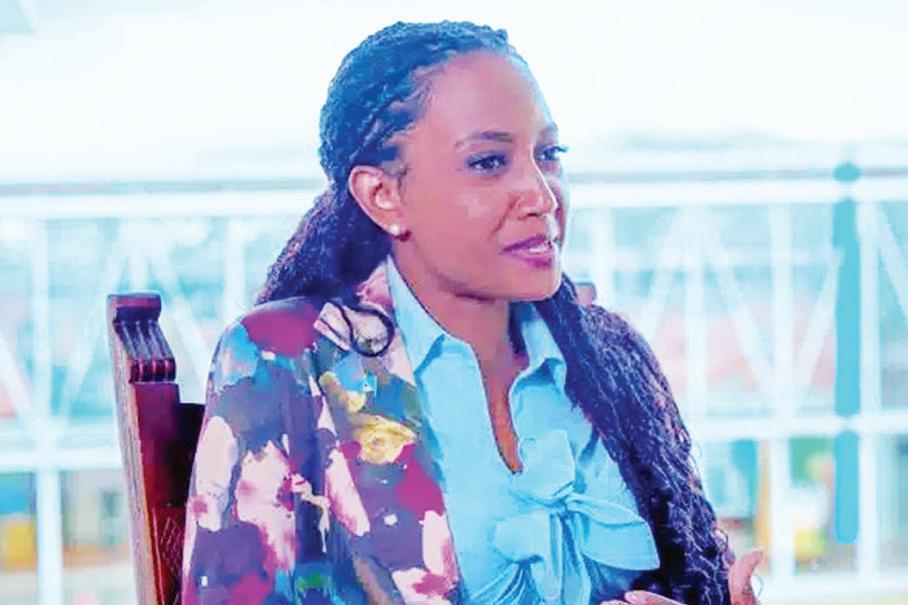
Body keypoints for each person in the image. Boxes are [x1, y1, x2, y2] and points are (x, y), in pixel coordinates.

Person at [181, 20, 763, 605]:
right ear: (383, 195)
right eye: (488, 162)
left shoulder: (611, 357)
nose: (541, 195)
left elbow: (693, 571)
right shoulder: (283, 360)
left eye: (549, 154)